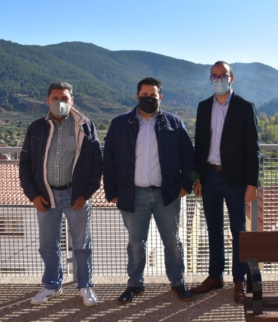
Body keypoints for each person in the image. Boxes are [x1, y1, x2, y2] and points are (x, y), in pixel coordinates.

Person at [103, 77, 195, 303]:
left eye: (152, 96)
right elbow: (110, 159)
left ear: (160, 97)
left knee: (172, 241)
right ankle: (135, 284)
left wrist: (187, 185)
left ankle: (177, 282)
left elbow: (189, 157)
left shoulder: (174, 123)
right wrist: (111, 190)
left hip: (168, 194)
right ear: (137, 96)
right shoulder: (120, 124)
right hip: (133, 195)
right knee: (136, 243)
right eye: (144, 96)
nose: (148, 100)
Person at [19, 82, 102, 307]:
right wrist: (33, 195)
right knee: (47, 243)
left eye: (64, 98)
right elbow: (25, 164)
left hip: (76, 196)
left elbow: (96, 164)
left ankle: (85, 286)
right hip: (46, 196)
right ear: (47, 100)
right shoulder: (36, 128)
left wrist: (85, 194)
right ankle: (52, 284)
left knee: (81, 244)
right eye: (55, 98)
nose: (60, 103)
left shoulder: (85, 126)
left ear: (72, 100)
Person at [192, 61, 260, 303]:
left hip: (236, 180)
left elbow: (253, 149)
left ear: (232, 78)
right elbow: (199, 146)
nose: (218, 80)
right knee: (213, 230)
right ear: (210, 79)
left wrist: (252, 184)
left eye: (223, 75)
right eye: (214, 76)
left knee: (238, 231)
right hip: (209, 177)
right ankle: (215, 276)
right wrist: (197, 178)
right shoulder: (202, 108)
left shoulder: (244, 107)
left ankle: (239, 280)